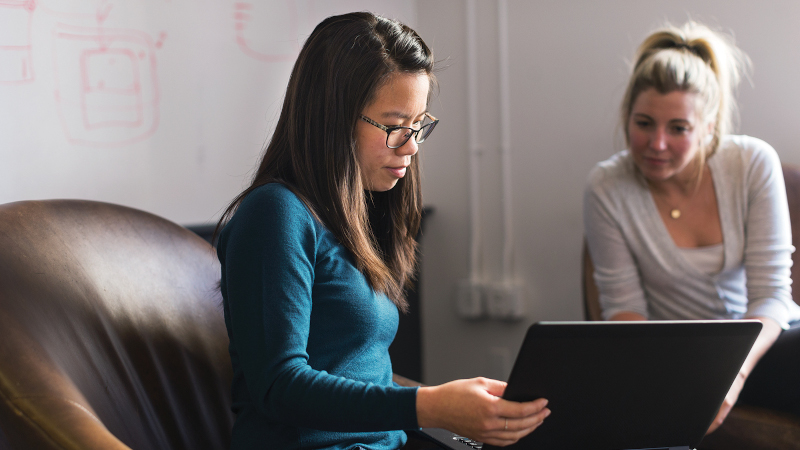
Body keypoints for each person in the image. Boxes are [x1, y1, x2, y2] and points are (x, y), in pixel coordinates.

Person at [215, 12, 550, 450]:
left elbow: (357, 373)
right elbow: (280, 385)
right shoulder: (274, 215)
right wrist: (429, 406)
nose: (410, 146)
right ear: (332, 119)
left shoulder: (358, 215)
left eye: (417, 126)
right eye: (394, 127)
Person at [584, 21, 800, 434]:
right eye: (644, 123)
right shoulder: (606, 186)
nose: (657, 143)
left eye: (678, 128)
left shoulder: (752, 162)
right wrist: (684, 379)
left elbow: (772, 296)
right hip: (674, 358)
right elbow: (623, 308)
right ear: (627, 116)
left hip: (762, 349)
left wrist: (732, 375)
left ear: (709, 127)